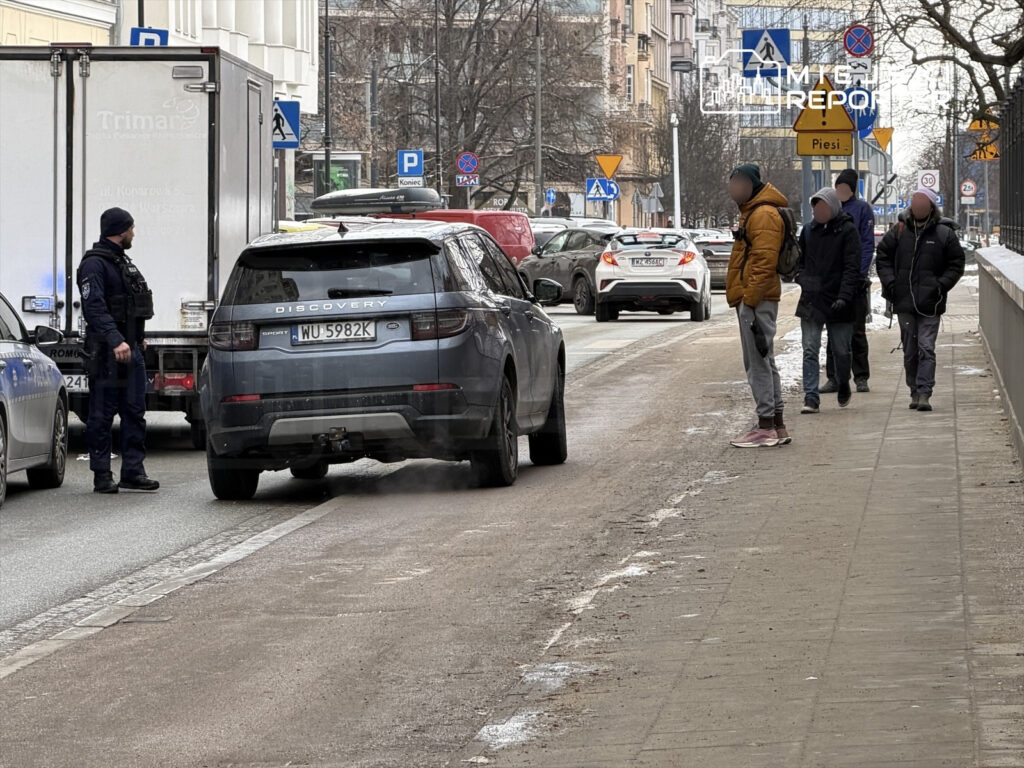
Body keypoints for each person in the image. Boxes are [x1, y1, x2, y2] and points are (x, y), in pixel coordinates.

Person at [78, 208, 159, 493]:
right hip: (107, 352)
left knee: (135, 412)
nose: (133, 233)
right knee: (102, 415)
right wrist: (116, 340)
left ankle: (133, 472)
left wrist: (138, 338)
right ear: (120, 230)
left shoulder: (121, 262)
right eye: (131, 229)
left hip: (130, 349)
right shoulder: (94, 265)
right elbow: (95, 308)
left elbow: (133, 305)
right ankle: (102, 475)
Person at [875, 187, 965, 412]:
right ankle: (914, 390)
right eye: (915, 202)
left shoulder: (944, 233)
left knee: (926, 347)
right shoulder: (900, 229)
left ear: (931, 207)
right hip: (904, 301)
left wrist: (941, 285)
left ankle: (925, 392)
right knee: (910, 350)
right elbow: (883, 256)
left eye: (923, 203)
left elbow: (956, 264)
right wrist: (890, 282)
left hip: (930, 303)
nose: (918, 207)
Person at [725, 163, 790, 448]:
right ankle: (776, 425)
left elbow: (764, 263)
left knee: (757, 362)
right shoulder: (754, 212)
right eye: (732, 183)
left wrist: (748, 300)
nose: (733, 189)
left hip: (757, 299)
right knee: (765, 359)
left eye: (738, 183)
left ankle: (765, 427)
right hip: (758, 297)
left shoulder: (762, 214)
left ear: (752, 184)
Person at [796, 188, 862, 414]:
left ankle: (843, 381)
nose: (818, 211)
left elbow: (852, 267)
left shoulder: (848, 231)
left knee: (841, 350)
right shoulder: (807, 231)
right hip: (812, 299)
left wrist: (844, 296)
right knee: (809, 349)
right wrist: (803, 279)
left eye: (823, 206)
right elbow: (799, 262)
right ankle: (811, 397)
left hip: (838, 300)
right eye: (815, 207)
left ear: (833, 207)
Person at [822, 168, 875, 394]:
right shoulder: (829, 209)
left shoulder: (862, 210)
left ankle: (861, 377)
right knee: (833, 332)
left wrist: (858, 275)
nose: (841, 192)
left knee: (856, 332)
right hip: (832, 283)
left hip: (855, 282)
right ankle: (834, 377)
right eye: (838, 188)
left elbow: (867, 245)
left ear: (852, 189)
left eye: (845, 188)